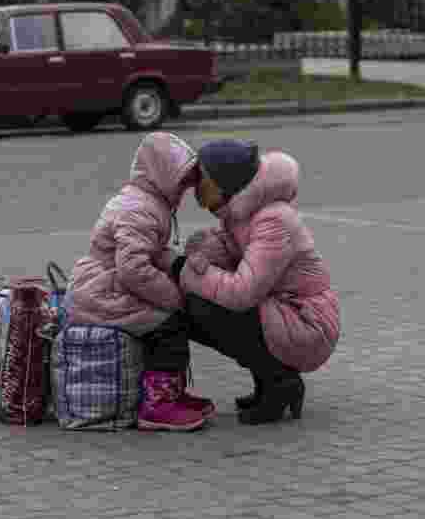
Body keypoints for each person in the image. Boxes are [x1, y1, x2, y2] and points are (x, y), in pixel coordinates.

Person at [179, 139, 340, 425]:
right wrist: (207, 248)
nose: (197, 188)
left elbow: (243, 292)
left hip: (307, 321)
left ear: (225, 181)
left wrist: (192, 274)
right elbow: (234, 251)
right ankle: (268, 381)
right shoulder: (241, 214)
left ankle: (280, 383)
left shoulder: (273, 220)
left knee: (207, 309)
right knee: (202, 309)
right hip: (286, 311)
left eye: (203, 180)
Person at [64, 131, 214, 431]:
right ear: (162, 175)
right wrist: (174, 297)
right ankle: (158, 406)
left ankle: (170, 394)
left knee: (164, 319)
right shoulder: (142, 209)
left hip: (104, 286)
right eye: (181, 181)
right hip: (102, 293)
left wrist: (177, 264)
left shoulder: (144, 201)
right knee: (168, 323)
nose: (185, 189)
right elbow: (133, 268)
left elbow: (149, 252)